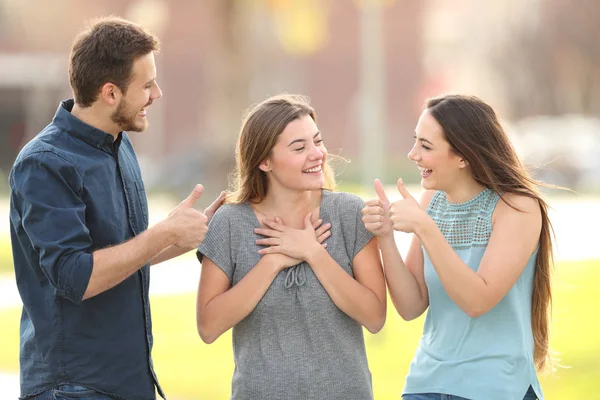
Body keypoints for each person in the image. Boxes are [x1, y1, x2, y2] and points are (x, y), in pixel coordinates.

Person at [9, 17, 224, 400]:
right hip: (72, 388)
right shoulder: (44, 164)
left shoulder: (119, 146)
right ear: (110, 93)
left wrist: (187, 235)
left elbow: (122, 255)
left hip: (128, 382)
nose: (156, 93)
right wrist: (163, 232)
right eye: (146, 85)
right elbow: (77, 277)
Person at [195, 94, 387, 400]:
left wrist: (313, 252)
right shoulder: (230, 223)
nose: (318, 154)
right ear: (264, 161)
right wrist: (273, 261)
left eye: (317, 141)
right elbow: (208, 327)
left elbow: (375, 317)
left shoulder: (349, 213)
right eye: (299, 148)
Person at [361, 94, 552, 400]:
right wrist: (385, 237)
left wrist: (425, 227)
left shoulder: (517, 207)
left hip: (497, 388)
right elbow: (411, 306)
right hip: (426, 384)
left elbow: (477, 300)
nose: (412, 154)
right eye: (415, 142)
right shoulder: (430, 201)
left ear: (463, 156)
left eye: (426, 146)